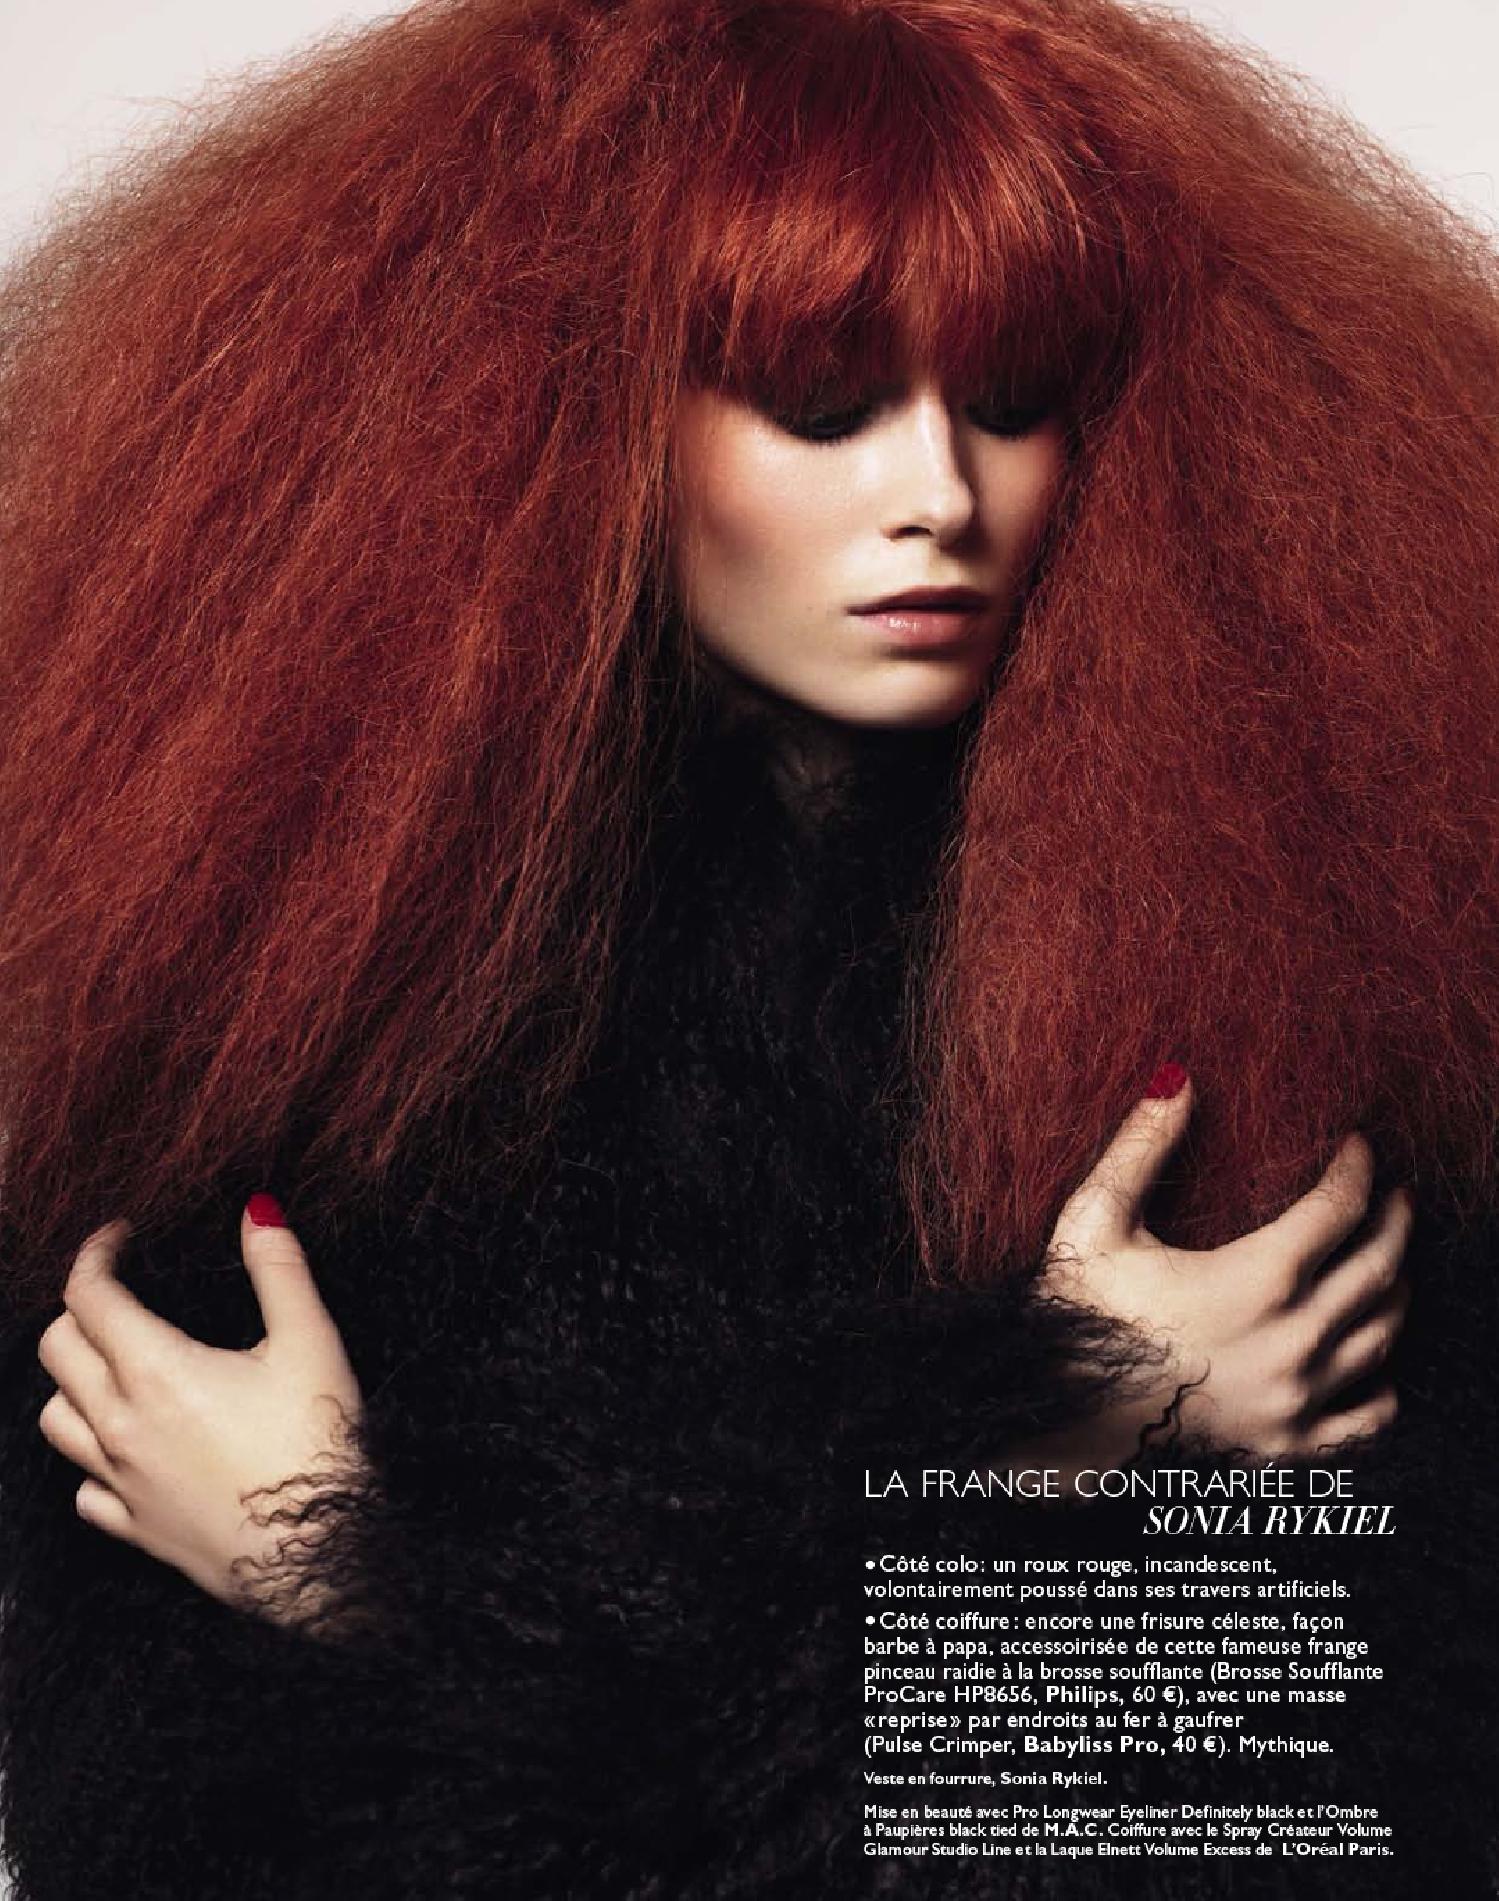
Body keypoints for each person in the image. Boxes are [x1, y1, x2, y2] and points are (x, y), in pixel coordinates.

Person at [0, 0, 1495, 1894]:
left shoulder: (1300, 939)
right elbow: (208, 1825)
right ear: (587, 406)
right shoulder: (305, 1003)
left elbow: (1311, 1773)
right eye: (822, 403)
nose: (939, 493)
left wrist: (348, 1573)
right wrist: (1071, 1439)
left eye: (1011, 398)